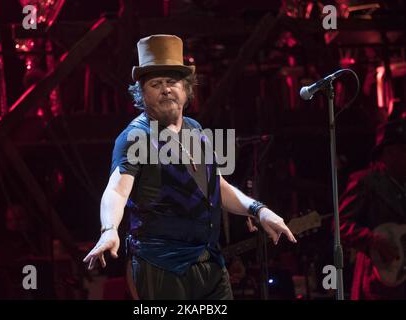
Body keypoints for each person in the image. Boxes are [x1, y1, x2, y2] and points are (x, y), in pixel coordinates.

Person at [83, 34, 297, 300]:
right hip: (162, 267)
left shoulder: (195, 130)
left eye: (172, 82)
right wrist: (109, 230)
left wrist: (258, 209)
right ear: (141, 93)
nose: (166, 89)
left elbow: (217, 185)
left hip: (210, 264)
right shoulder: (135, 137)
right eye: (155, 83)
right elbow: (116, 190)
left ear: (186, 89)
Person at [339, 118, 406, 300]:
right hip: (378, 279)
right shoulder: (366, 183)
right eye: (401, 150)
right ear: (387, 154)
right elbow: (340, 225)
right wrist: (373, 240)